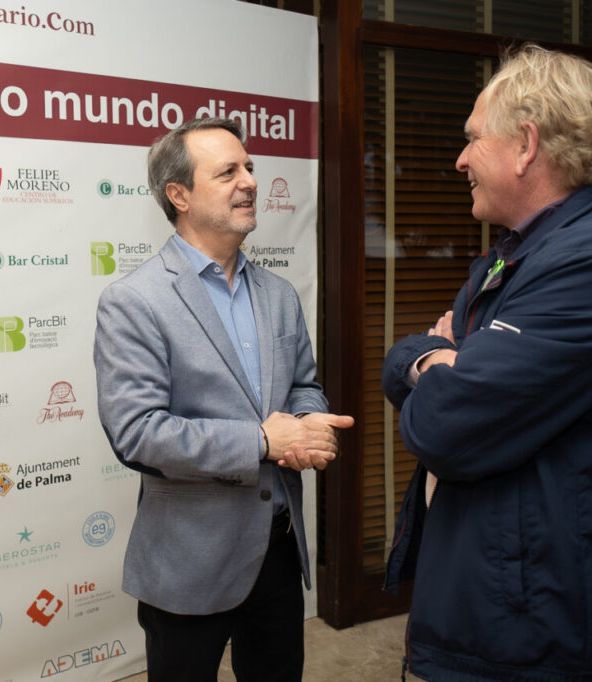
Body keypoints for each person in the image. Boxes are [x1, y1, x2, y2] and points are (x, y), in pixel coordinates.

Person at [381, 45, 592, 682]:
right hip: (505, 606)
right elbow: (402, 363)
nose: (460, 159)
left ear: (525, 146)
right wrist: (436, 359)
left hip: (536, 634)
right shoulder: (524, 252)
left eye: (473, 138)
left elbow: (443, 425)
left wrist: (440, 365)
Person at [94, 116, 354, 681]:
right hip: (188, 562)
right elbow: (138, 433)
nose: (250, 182)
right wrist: (262, 441)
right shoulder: (134, 301)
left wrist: (308, 427)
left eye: (250, 168)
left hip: (277, 550)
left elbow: (303, 384)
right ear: (179, 194)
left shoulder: (279, 294)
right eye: (228, 171)